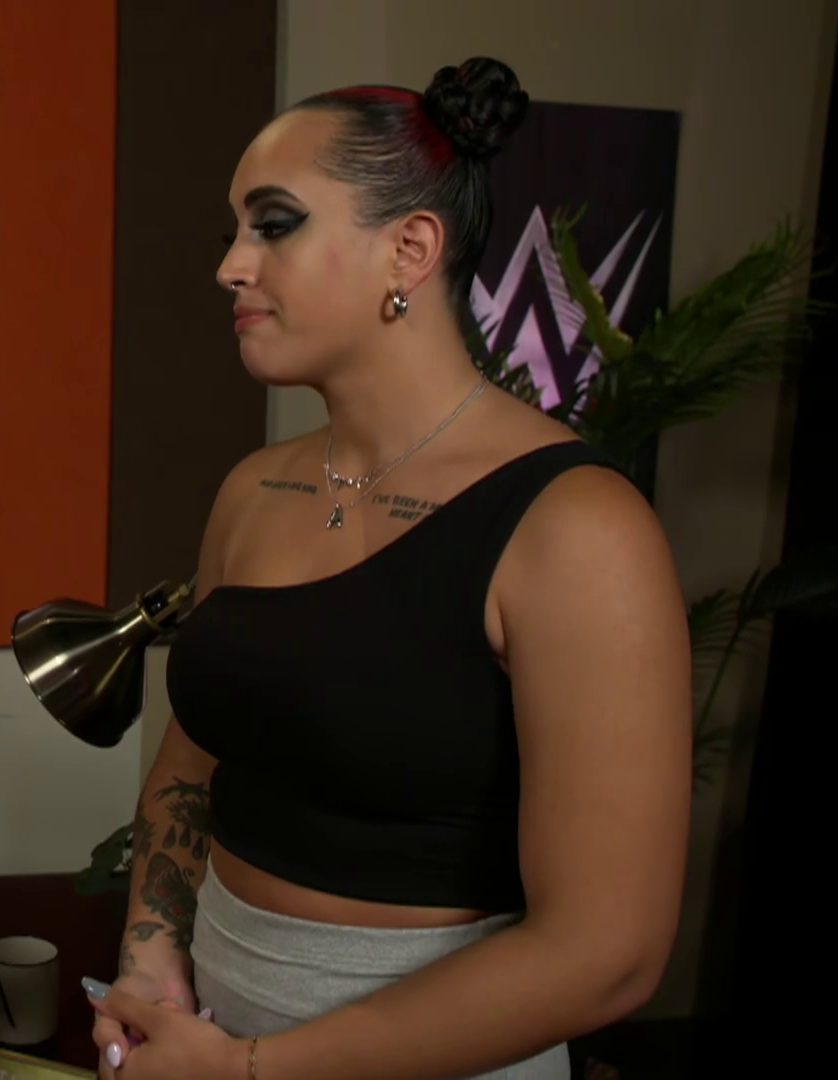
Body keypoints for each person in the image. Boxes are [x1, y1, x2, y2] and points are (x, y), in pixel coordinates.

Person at [83, 58, 691, 1079]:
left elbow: (609, 953)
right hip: (208, 1033)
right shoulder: (252, 491)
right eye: (233, 233)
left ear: (410, 248)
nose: (231, 266)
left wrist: (253, 1071)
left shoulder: (577, 525)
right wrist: (151, 961)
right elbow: (190, 766)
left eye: (274, 224)